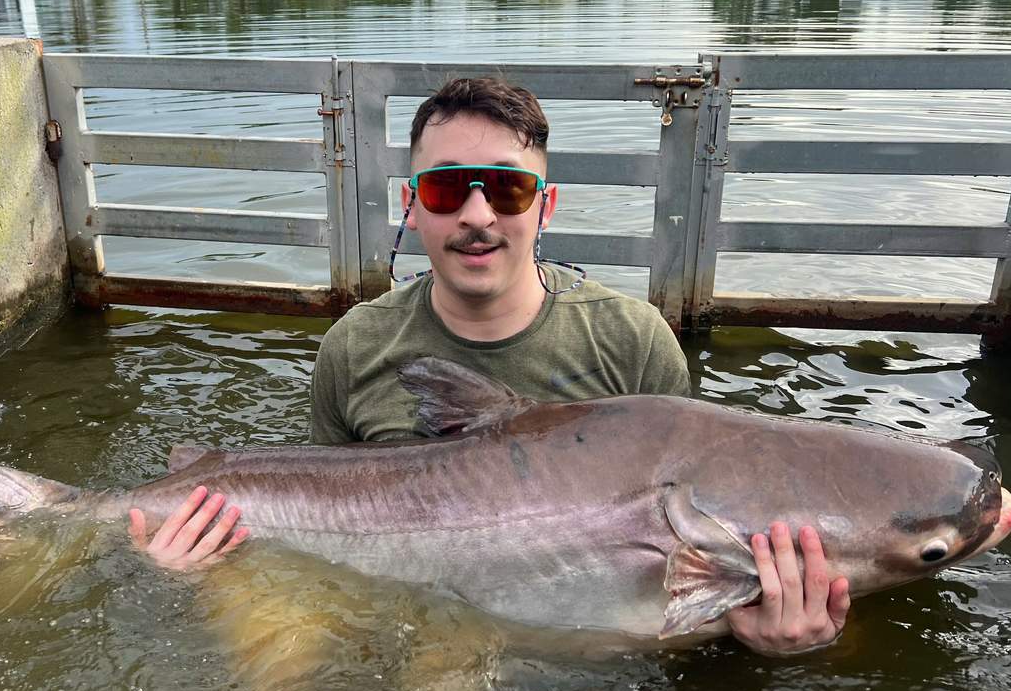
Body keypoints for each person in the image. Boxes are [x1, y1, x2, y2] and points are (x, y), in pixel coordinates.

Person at [129, 77, 851, 656]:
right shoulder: (354, 347)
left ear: (545, 207)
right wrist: (206, 568)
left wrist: (771, 640)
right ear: (413, 207)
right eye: (447, 190)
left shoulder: (633, 342)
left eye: (507, 190)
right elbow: (316, 519)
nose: (477, 215)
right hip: (422, 641)